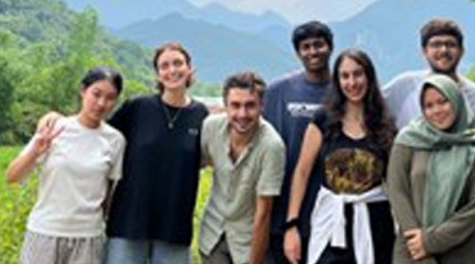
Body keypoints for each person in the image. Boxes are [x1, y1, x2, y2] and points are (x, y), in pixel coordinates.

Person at [281, 49, 396, 264]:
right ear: (337, 81)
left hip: (374, 223)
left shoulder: (383, 124)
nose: (352, 82)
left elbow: (396, 180)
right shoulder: (323, 119)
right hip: (332, 220)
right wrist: (292, 225)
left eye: (358, 74)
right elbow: (302, 172)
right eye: (345, 76)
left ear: (369, 76)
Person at [7, 66, 127, 264]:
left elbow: (108, 193)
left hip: (88, 238)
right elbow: (12, 176)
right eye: (96, 94)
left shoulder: (115, 140)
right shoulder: (54, 128)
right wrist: (36, 150)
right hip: (44, 231)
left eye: (110, 98)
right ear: (83, 91)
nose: (101, 103)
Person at [104, 42, 210, 264]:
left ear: (189, 68)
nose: (172, 70)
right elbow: (99, 134)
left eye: (178, 63)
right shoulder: (137, 108)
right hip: (129, 219)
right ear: (158, 74)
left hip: (174, 224)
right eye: (165, 66)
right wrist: (60, 120)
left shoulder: (201, 115)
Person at [387, 74, 475, 264]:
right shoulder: (409, 141)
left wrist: (430, 241)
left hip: (461, 254)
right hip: (413, 254)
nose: (436, 110)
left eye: (443, 102)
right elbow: (397, 191)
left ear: (457, 101)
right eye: (428, 106)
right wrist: (418, 244)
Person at [264, 21, 335, 264]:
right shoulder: (277, 92)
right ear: (298, 52)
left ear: (330, 47)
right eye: (306, 47)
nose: (313, 52)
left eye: (319, 45)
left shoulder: (345, 90)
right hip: (284, 211)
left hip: (330, 211)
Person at [199, 71, 286, 264]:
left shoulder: (271, 146)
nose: (242, 114)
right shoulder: (211, 128)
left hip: (248, 240)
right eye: (235, 106)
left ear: (262, 105)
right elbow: (191, 169)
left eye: (250, 106)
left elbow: (263, 213)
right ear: (226, 106)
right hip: (213, 234)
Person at [382, 19, 475, 142]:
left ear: (462, 51)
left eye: (450, 45)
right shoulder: (404, 87)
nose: (443, 50)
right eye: (436, 45)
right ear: (424, 51)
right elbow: (369, 104)